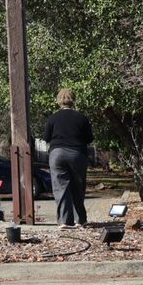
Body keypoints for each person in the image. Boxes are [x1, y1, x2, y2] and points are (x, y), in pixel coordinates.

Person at [44, 87, 94, 227]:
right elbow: (89, 138)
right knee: (78, 186)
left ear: (59, 101)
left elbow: (46, 137)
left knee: (60, 187)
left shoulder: (53, 118)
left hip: (57, 153)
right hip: (77, 154)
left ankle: (64, 221)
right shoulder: (81, 118)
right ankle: (80, 220)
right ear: (74, 100)